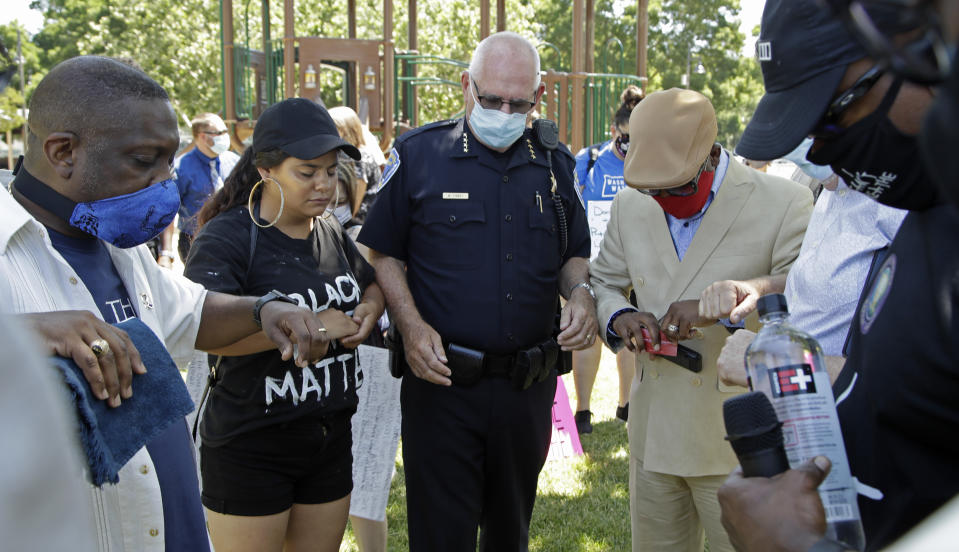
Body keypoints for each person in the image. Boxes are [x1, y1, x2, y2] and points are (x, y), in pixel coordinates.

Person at [0, 55, 337, 551]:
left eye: (168, 160)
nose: (166, 182)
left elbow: (192, 314)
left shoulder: (118, 244)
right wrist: (21, 335)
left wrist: (266, 309)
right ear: (63, 151)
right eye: (143, 161)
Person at [716, 1, 955, 550]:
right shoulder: (927, 209)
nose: (820, 149)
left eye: (832, 112)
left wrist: (798, 547)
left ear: (925, 49)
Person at [357, 31, 597, 551]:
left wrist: (581, 295)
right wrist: (411, 325)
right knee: (441, 536)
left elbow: (573, 254)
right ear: (467, 85)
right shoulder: (420, 153)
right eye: (491, 99)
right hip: (442, 384)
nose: (505, 112)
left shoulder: (554, 164)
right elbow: (383, 254)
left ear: (539, 97)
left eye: (520, 102)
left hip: (526, 388)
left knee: (510, 533)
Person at [590, 88, 812, 552]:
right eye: (654, 191)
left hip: (739, 440)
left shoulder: (784, 203)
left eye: (678, 187)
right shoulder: (631, 204)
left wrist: (733, 304)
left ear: (712, 155)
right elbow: (605, 281)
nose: (665, 199)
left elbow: (804, 296)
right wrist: (622, 316)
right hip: (653, 434)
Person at [182, 97, 385, 552]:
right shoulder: (230, 237)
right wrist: (316, 327)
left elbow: (369, 284)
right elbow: (202, 331)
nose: (325, 186)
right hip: (251, 443)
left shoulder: (329, 228)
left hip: (329, 436)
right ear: (266, 170)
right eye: (307, 172)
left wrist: (370, 307)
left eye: (331, 172)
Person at [333, 163, 403, 552]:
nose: (328, 198)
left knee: (368, 477)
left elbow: (382, 293)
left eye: (339, 193)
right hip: (311, 381)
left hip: (366, 369)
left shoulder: (358, 237)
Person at [571, 84, 643, 434]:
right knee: (587, 334)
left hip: (634, 266)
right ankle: (582, 411)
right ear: (615, 131)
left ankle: (626, 405)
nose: (629, 145)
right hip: (591, 261)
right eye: (625, 137)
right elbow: (571, 205)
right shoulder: (591, 159)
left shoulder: (651, 163)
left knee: (628, 334)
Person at [164, 112, 241, 264]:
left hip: (233, 239)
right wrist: (166, 252)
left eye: (226, 131)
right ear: (202, 136)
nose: (225, 136)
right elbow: (168, 211)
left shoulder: (234, 162)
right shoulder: (181, 169)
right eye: (219, 133)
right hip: (195, 242)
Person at [329, 105, 382, 223]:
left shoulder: (360, 158)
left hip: (361, 225)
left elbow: (354, 203)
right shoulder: (346, 155)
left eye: (332, 127)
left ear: (345, 129)